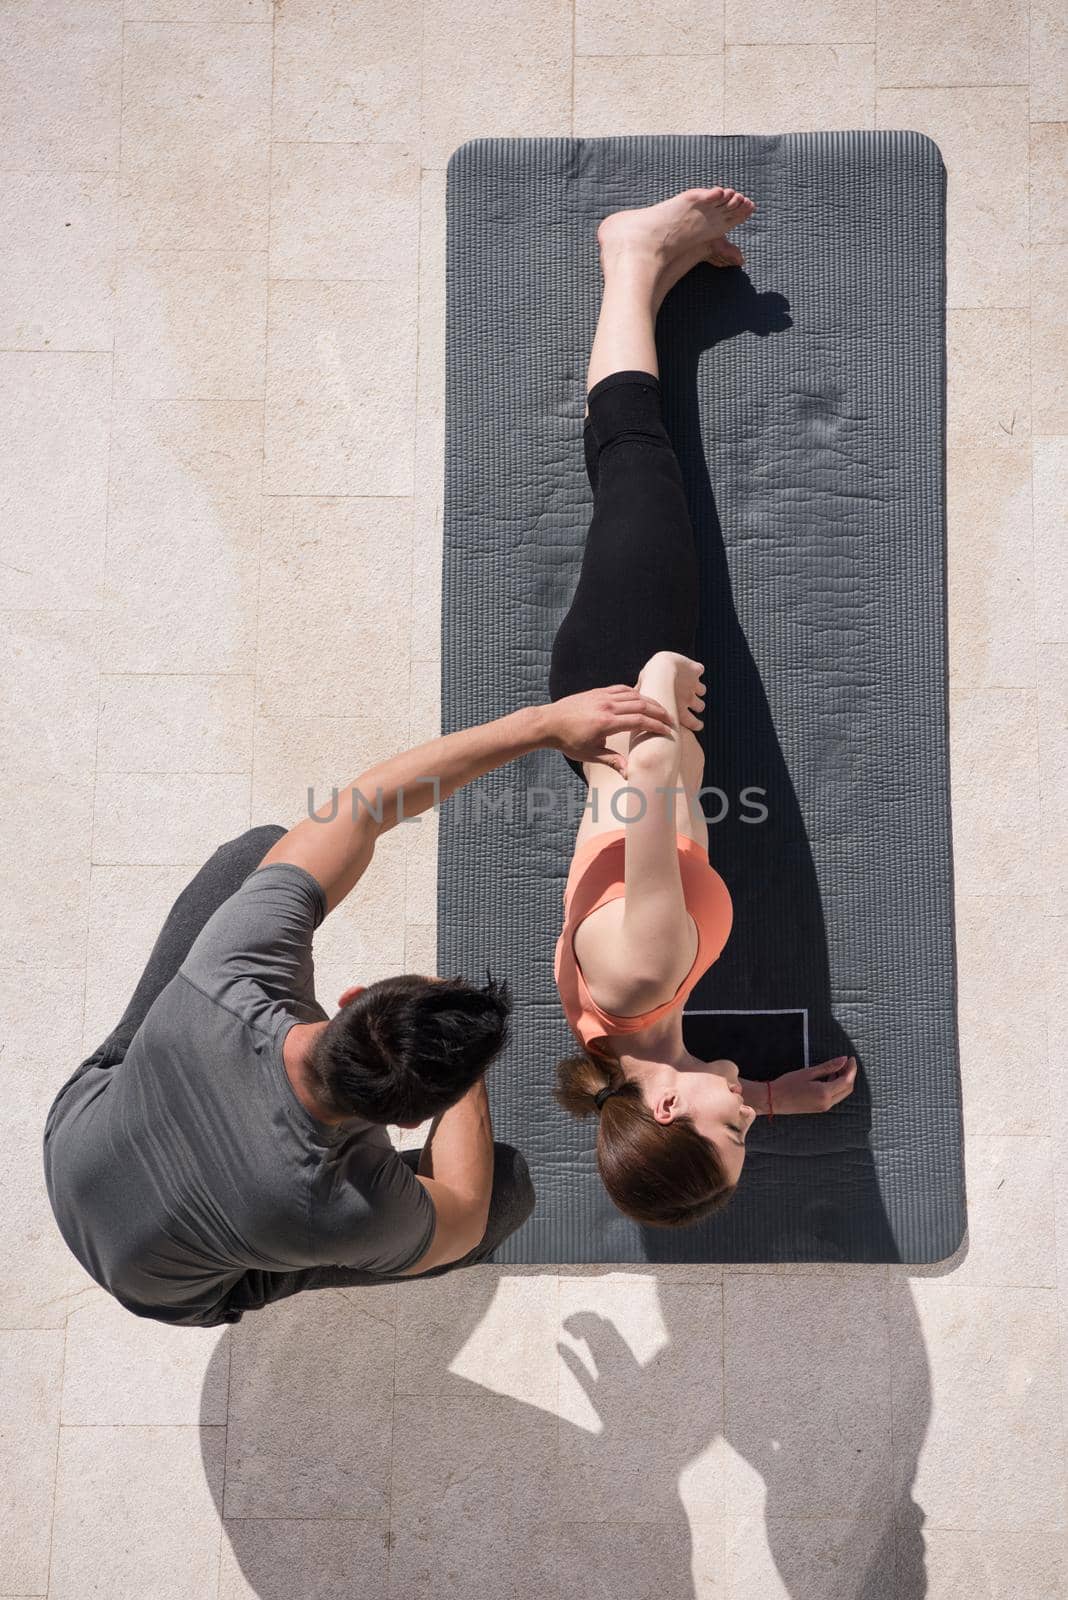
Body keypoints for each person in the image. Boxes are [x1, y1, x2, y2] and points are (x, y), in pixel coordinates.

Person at [42, 686, 674, 1327]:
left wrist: (544, 725)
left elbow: (367, 804)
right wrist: (461, 1068)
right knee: (502, 1192)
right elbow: (461, 1217)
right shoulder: (340, 1206)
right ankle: (235, 1273)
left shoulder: (229, 976)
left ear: (350, 998)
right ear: (404, 1124)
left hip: (79, 1137)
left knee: (265, 853)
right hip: (164, 1287)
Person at [548, 186, 858, 1227]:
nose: (751, 1122)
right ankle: (662, 279)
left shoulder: (645, 971)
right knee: (644, 477)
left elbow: (644, 790)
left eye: (734, 1129)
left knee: (635, 460)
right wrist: (765, 1090)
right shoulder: (621, 1044)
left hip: (632, 697)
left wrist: (671, 706)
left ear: (671, 1101)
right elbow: (682, 1085)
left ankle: (631, 256)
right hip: (614, 711)